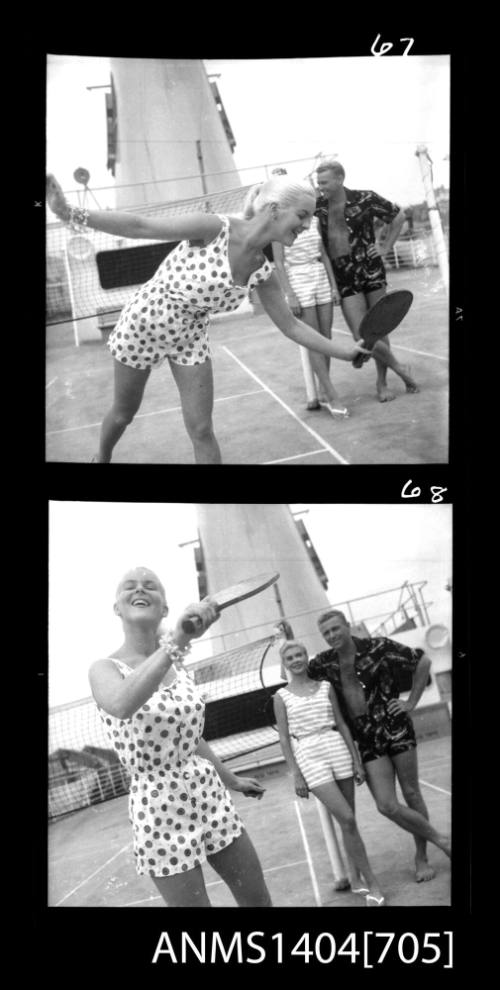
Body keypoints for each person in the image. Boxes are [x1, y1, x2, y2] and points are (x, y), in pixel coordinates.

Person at [46, 174, 369, 464]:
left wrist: (345, 351)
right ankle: (101, 458)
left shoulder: (263, 271)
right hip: (146, 320)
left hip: (192, 334)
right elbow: (139, 226)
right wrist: (70, 213)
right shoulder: (215, 228)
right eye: (302, 215)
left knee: (201, 427)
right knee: (123, 414)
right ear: (274, 209)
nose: (307, 225)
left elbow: (291, 326)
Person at [88, 566, 272, 907]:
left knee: (258, 902)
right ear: (117, 607)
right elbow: (121, 703)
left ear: (165, 608)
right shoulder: (104, 669)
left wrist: (231, 779)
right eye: (129, 586)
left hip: (209, 792)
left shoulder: (179, 668)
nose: (140, 589)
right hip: (158, 807)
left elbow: (191, 738)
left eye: (150, 586)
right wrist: (179, 640)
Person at [309, 609, 451, 883]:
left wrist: (410, 703)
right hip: (366, 737)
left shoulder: (380, 647)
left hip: (395, 727)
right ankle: (442, 840)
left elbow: (422, 662)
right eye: (326, 633)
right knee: (386, 805)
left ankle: (421, 857)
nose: (332, 636)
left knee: (411, 792)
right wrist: (286, 640)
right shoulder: (324, 663)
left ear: (347, 626)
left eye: (336, 629)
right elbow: (294, 670)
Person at [274, 639, 385, 906]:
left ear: (306, 656)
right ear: (285, 663)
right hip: (309, 756)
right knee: (346, 818)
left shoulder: (325, 687)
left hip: (337, 747)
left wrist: (356, 760)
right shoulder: (281, 696)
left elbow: (342, 724)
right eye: (290, 657)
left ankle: (355, 879)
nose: (296, 660)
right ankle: (373, 884)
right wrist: (296, 774)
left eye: (300, 654)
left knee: (349, 821)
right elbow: (285, 740)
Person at [314, 159, 419, 403]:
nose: (320, 187)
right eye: (318, 183)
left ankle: (381, 383)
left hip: (371, 271)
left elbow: (398, 216)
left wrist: (385, 248)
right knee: (360, 334)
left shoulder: (365, 198)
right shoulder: (317, 207)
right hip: (344, 277)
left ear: (340, 179)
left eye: (324, 182)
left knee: (379, 329)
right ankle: (401, 368)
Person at [273, 215, 349, 418]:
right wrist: (290, 294)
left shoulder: (313, 221)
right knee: (313, 339)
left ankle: (325, 390)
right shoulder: (279, 224)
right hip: (298, 279)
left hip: (320, 276)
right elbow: (279, 263)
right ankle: (332, 394)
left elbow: (323, 254)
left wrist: (333, 286)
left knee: (325, 338)